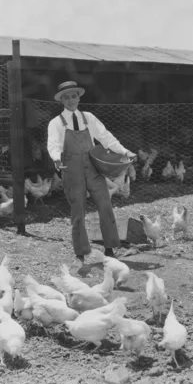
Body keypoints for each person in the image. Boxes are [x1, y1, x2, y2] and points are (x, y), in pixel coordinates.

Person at [47, 81, 136, 268]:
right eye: (66, 97)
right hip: (71, 169)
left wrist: (125, 151)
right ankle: (80, 253)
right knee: (77, 210)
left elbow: (105, 137)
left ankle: (110, 248)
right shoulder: (56, 123)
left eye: (74, 96)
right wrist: (56, 158)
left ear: (79, 97)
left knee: (105, 204)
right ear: (61, 101)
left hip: (93, 167)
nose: (71, 100)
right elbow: (53, 144)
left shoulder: (89, 118)